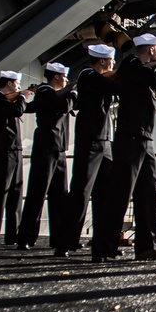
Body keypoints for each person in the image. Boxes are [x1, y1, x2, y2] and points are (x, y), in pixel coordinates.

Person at [93, 33, 156, 262]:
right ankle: (103, 247)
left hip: (144, 138)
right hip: (130, 137)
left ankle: (146, 247)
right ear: (150, 50)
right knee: (120, 193)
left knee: (148, 194)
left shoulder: (143, 70)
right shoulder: (131, 64)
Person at [53, 44, 118, 257]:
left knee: (105, 195)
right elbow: (110, 84)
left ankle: (101, 244)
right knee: (80, 192)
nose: (113, 63)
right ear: (102, 61)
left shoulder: (98, 78)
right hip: (90, 140)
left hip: (105, 141)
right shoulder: (87, 75)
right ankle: (65, 242)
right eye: (111, 60)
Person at [15, 62, 75, 250]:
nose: (65, 80)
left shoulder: (51, 93)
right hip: (46, 149)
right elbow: (64, 106)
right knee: (37, 193)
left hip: (59, 150)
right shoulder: (45, 92)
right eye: (64, 77)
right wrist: (72, 92)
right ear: (56, 77)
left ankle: (58, 238)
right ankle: (25, 237)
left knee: (59, 197)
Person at [0, 70, 33, 246]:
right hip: (4, 150)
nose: (19, 87)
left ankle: (13, 234)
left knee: (16, 194)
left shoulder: (9, 99)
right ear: (9, 84)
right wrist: (23, 97)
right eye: (17, 84)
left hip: (16, 150)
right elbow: (17, 110)